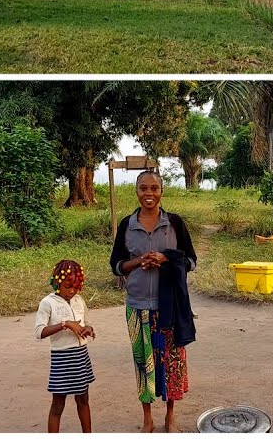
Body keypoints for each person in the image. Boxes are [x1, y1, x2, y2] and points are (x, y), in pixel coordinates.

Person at [109, 170, 198, 433]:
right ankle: (147, 417)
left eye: (154, 188)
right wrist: (138, 262)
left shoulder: (174, 223)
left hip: (169, 308)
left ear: (161, 191)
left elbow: (191, 260)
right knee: (143, 364)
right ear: (136, 191)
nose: (149, 193)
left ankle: (170, 415)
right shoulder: (127, 225)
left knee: (171, 363)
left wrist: (166, 258)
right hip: (137, 307)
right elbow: (116, 265)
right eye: (143, 188)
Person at [36, 259, 96, 433]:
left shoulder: (79, 300)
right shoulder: (48, 303)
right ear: (57, 282)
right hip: (62, 359)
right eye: (67, 286)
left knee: (83, 400)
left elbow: (88, 323)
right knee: (58, 404)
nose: (71, 291)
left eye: (76, 287)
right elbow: (39, 332)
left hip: (81, 356)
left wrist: (88, 329)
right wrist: (65, 324)